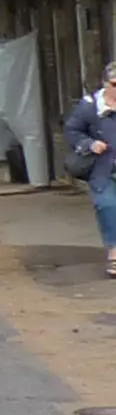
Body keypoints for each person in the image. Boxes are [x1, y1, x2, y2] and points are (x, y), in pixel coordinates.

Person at [71, 58, 116, 279]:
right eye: (115, 84)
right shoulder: (90, 106)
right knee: (108, 206)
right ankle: (114, 255)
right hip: (104, 169)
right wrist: (89, 144)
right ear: (105, 84)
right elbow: (73, 131)